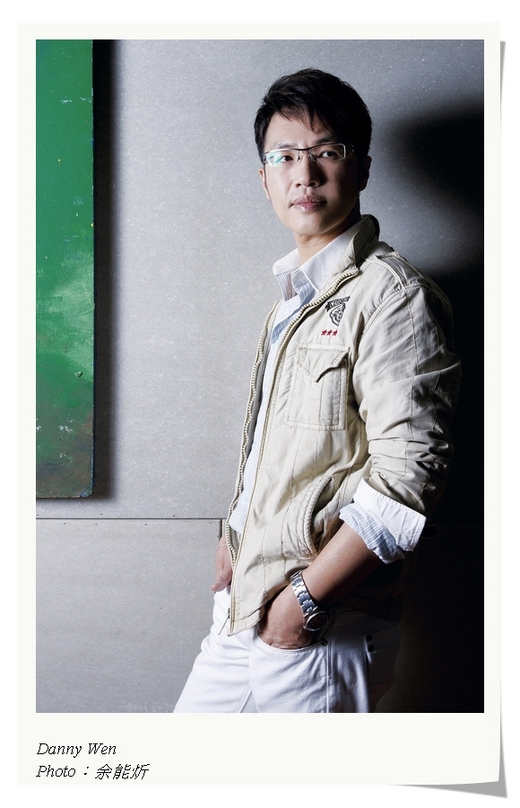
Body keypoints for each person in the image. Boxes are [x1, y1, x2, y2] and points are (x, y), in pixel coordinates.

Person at [174, 68, 461, 713]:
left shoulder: (393, 296)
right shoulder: (294, 299)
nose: (304, 173)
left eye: (326, 151)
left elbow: (411, 474)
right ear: (265, 178)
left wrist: (303, 602)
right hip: (249, 605)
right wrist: (235, 534)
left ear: (361, 169)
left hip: (321, 627)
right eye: (285, 156)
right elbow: (289, 452)